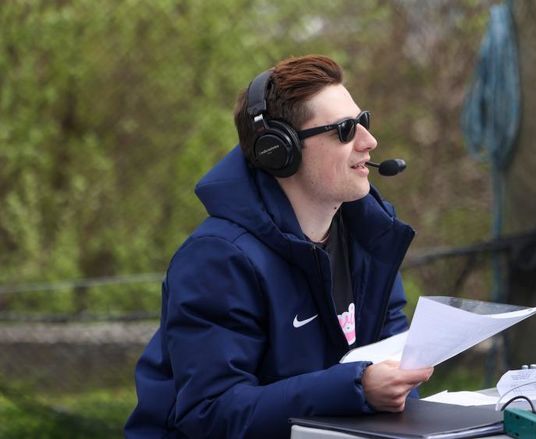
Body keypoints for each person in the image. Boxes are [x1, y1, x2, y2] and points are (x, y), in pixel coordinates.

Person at [125, 54, 433, 438]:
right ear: (279, 150)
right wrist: (356, 388)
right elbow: (211, 413)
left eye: (363, 122)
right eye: (344, 130)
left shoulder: (369, 239)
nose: (368, 142)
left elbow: (393, 367)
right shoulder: (217, 259)